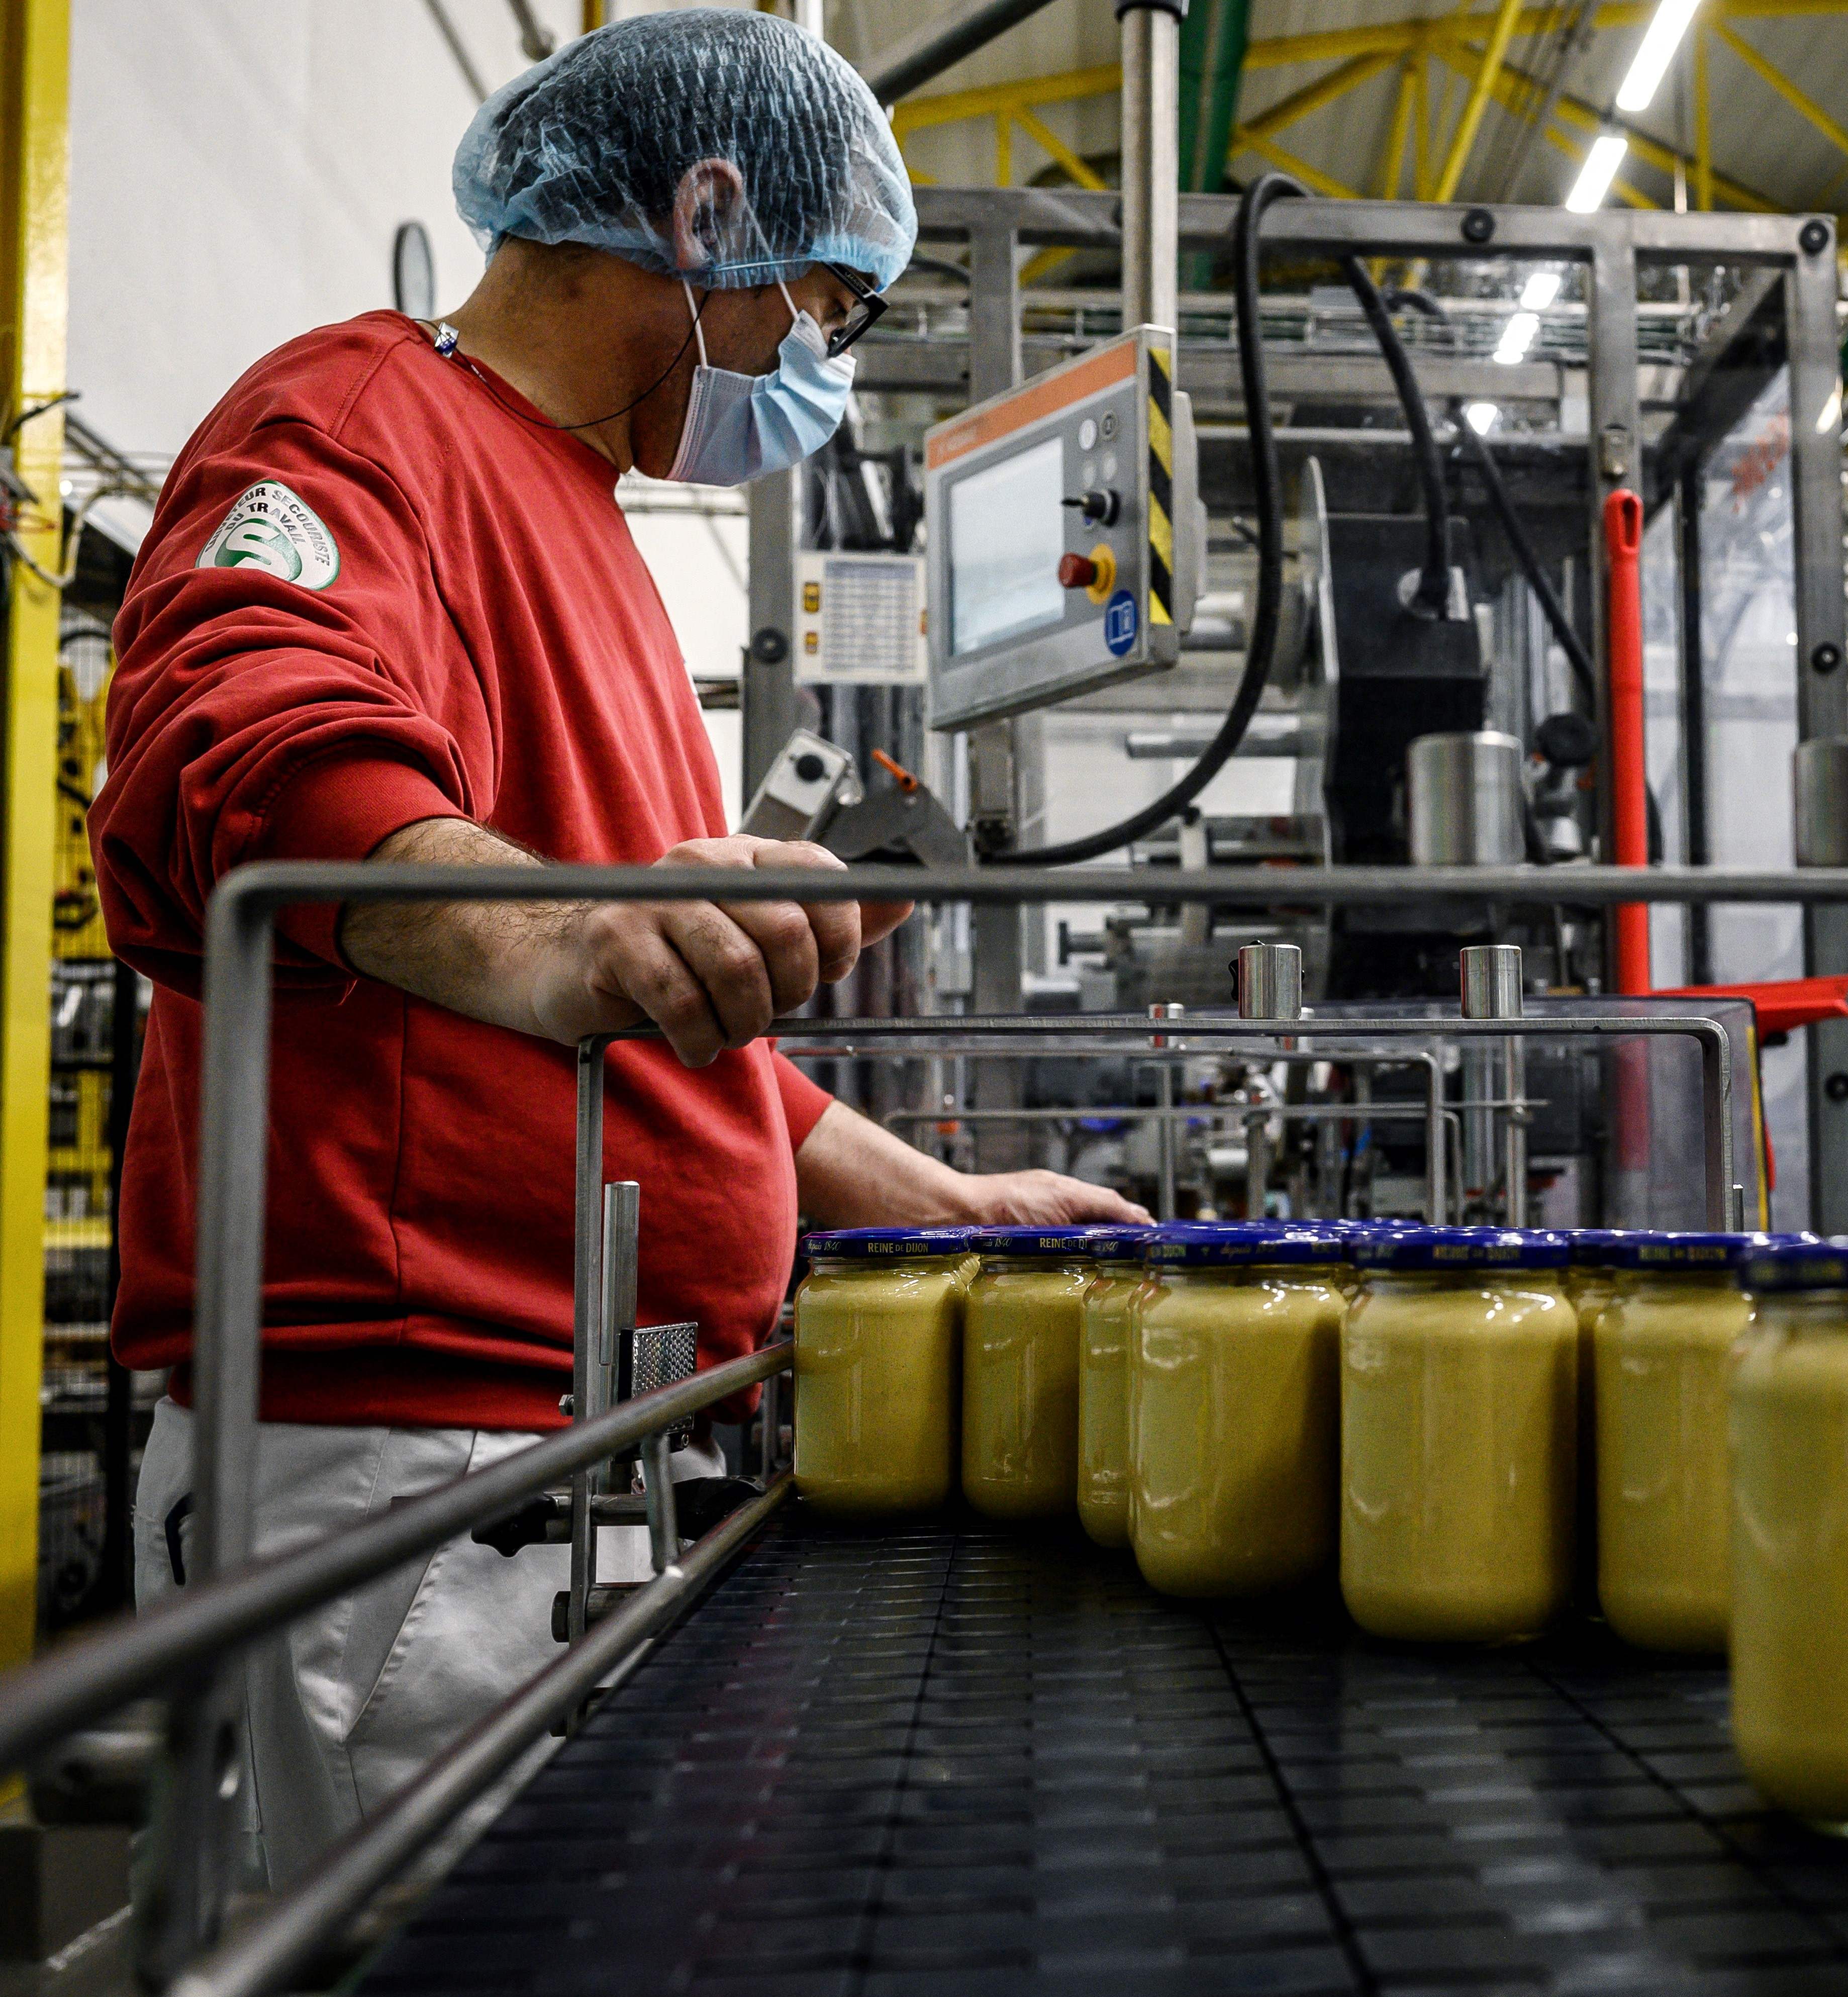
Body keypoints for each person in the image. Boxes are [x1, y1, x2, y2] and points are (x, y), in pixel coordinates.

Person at [89, 12, 1140, 1885]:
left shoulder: (585, 517)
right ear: (702, 211)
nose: (813, 367)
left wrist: (939, 1200)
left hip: (558, 1440)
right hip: (401, 1458)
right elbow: (237, 754)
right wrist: (569, 925)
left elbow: (644, 1004)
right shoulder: (352, 430)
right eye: (819, 307)